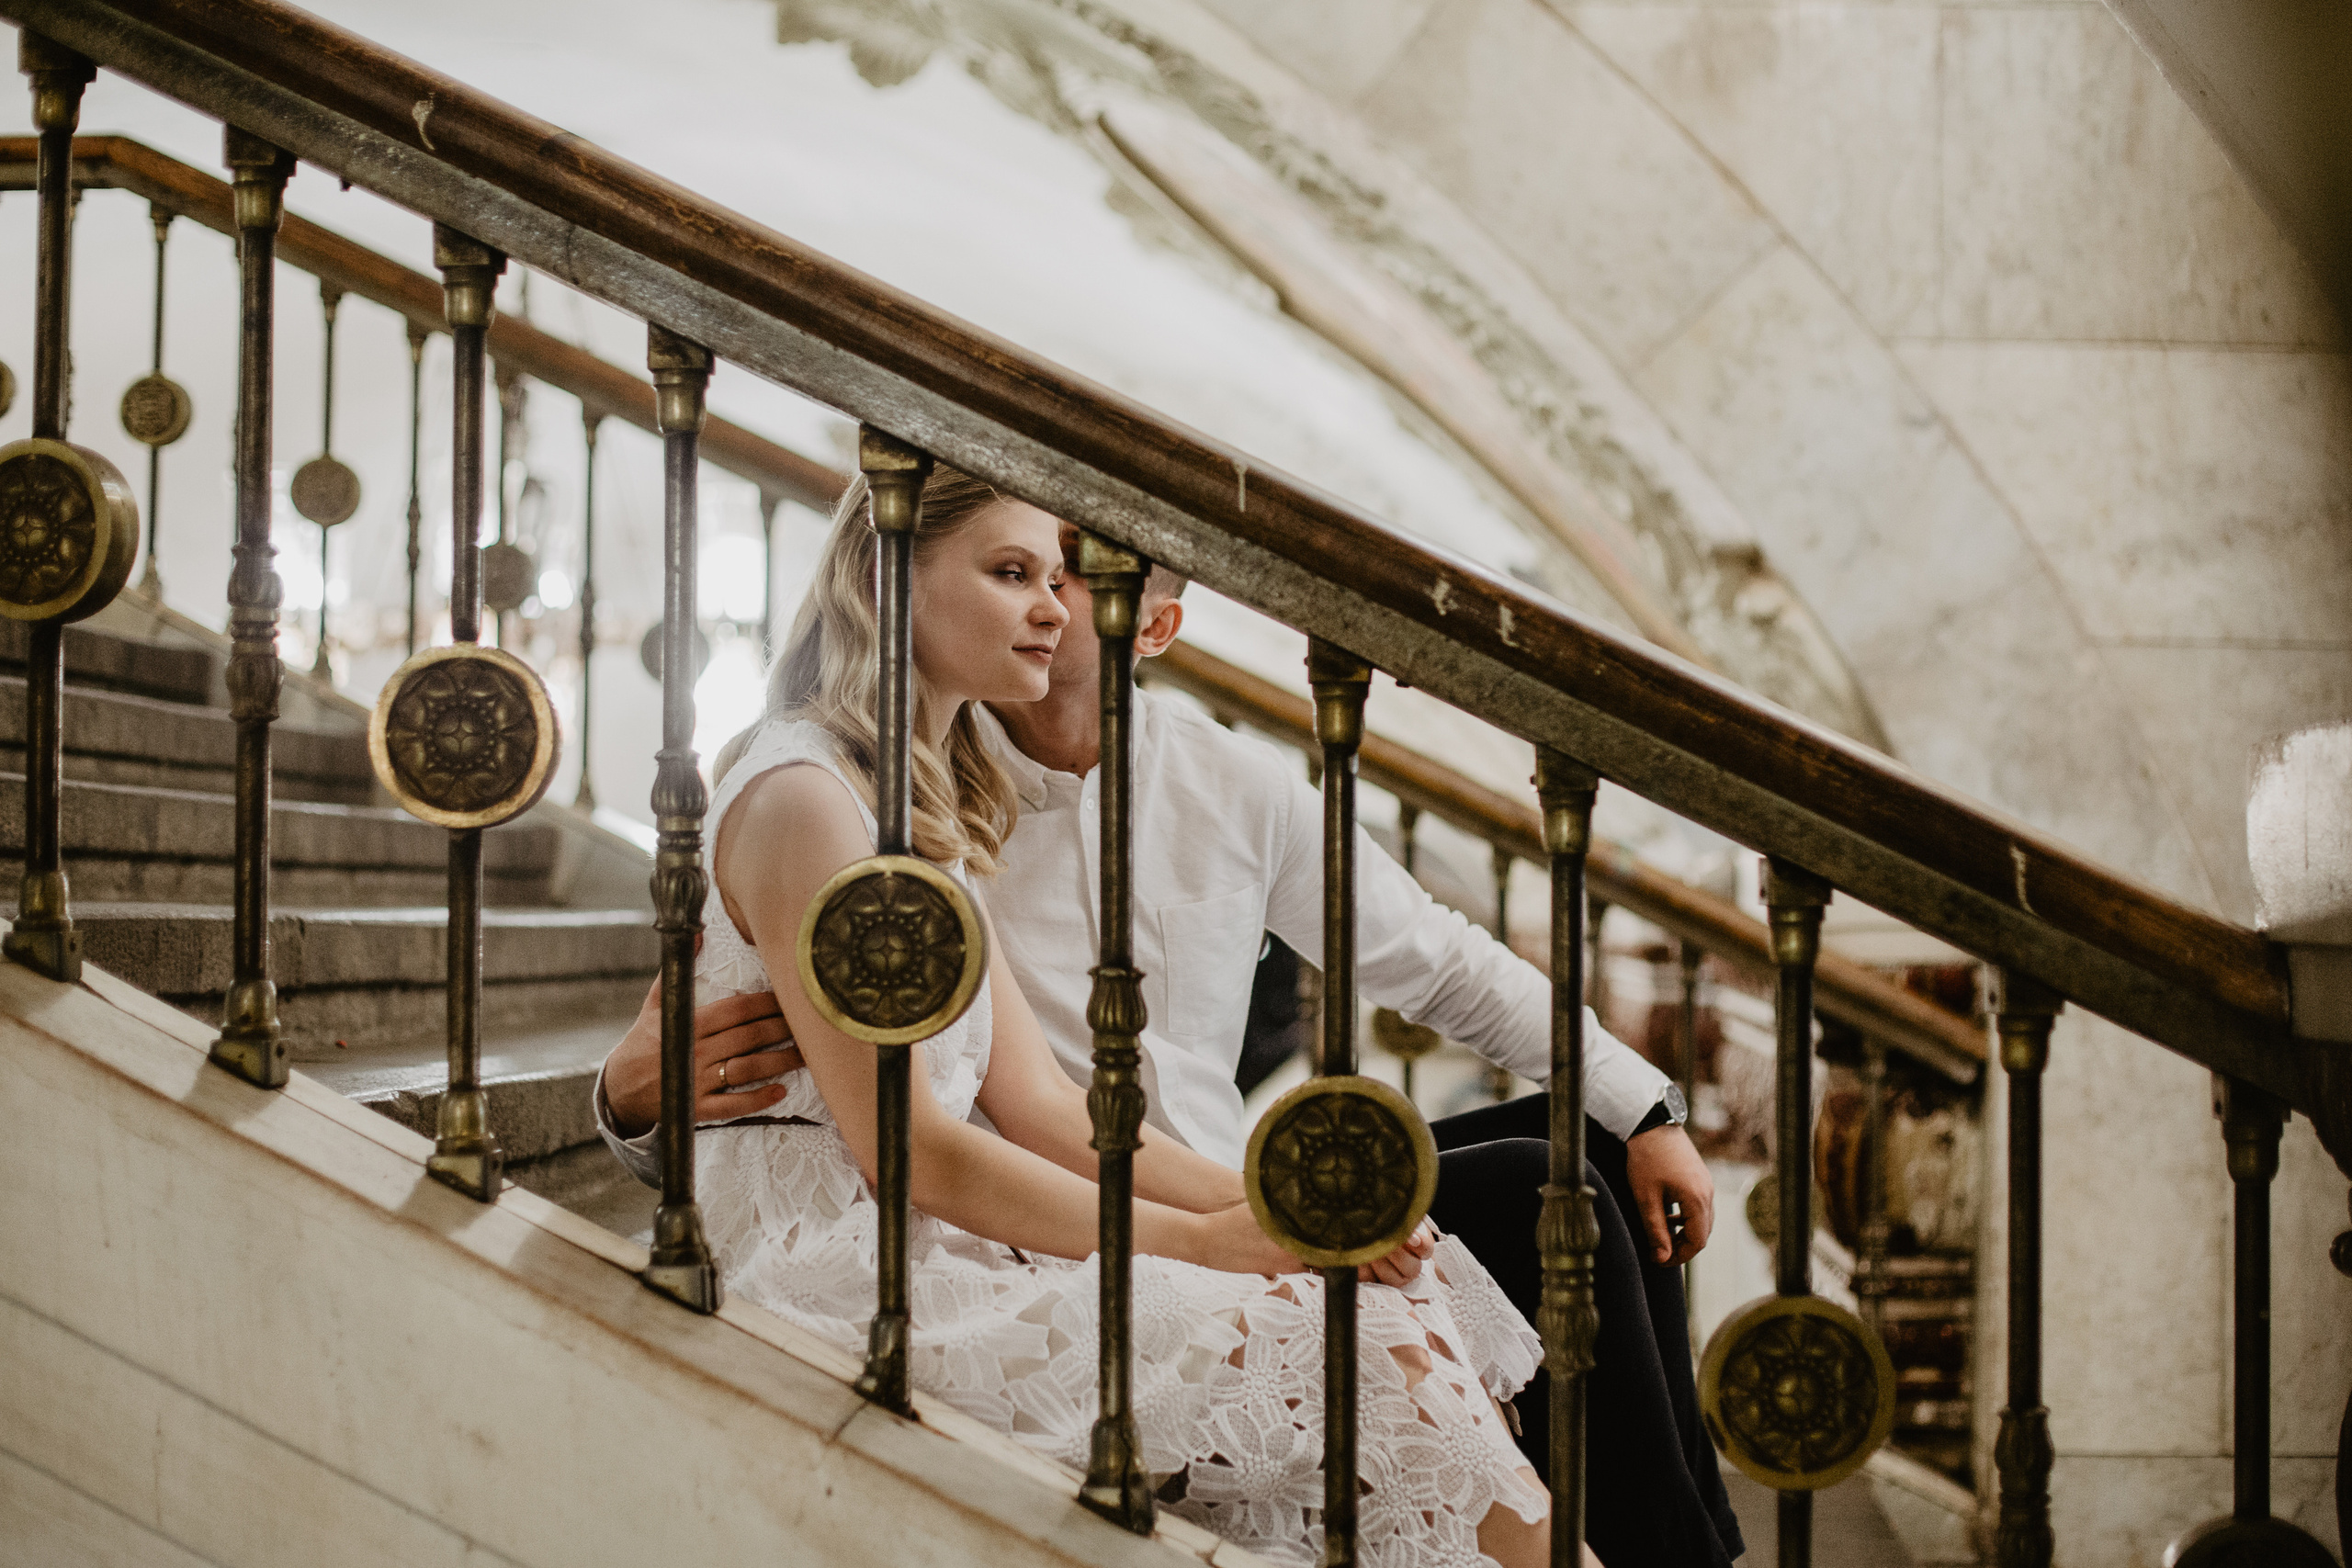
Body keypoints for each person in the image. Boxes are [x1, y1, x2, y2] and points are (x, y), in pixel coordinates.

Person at [599, 484, 1744, 1566]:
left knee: (1569, 1159)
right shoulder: (837, 791)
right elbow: (891, 1135)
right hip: (906, 1238)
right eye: (1021, 571)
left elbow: (1050, 1099)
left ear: (1160, 629)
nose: (1054, 605)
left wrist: (1640, 1099)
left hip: (1107, 1178)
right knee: (1442, 1287)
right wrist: (634, 1101)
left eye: (1071, 576)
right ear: (888, 573)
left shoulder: (958, 801)